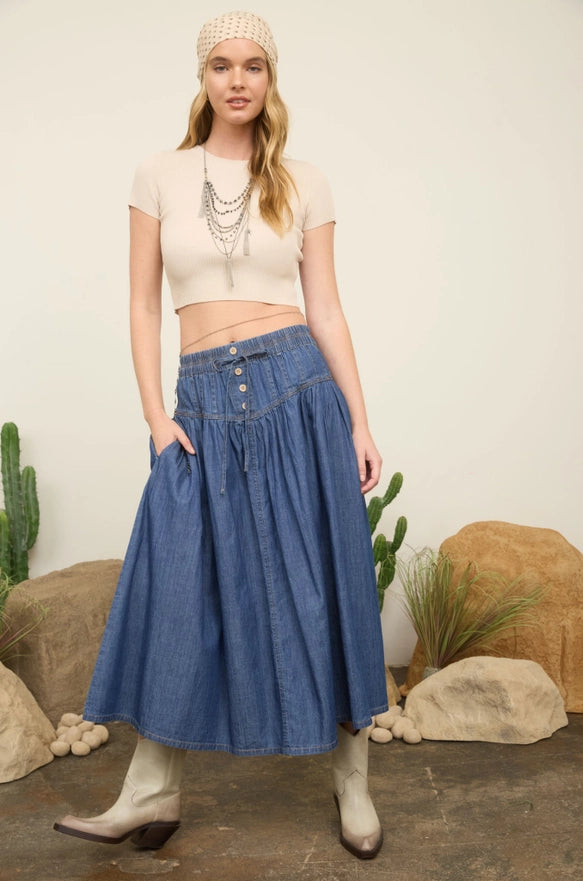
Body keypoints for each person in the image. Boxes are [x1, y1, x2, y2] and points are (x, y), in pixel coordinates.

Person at [53, 10, 388, 861]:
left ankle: (352, 781)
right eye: (221, 66)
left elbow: (328, 308)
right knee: (179, 589)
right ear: (201, 78)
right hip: (199, 403)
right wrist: (155, 418)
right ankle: (150, 789)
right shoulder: (158, 175)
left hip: (296, 388)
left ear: (271, 81)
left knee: (324, 581)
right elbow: (139, 304)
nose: (237, 80)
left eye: (253, 67)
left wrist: (357, 417)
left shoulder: (304, 179)